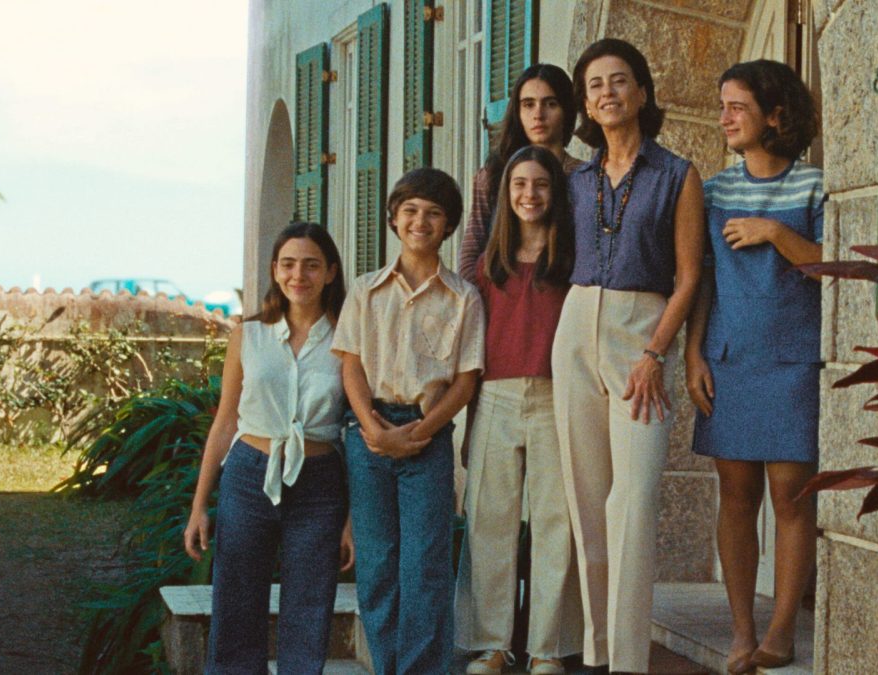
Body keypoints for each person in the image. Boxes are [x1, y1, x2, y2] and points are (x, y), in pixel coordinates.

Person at [552, 38, 704, 674]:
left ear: (642, 92)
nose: (607, 93)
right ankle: (599, 654)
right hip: (576, 326)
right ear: (586, 105)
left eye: (619, 80)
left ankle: (629, 663)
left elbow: (690, 278)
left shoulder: (678, 175)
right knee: (587, 505)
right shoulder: (575, 180)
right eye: (595, 85)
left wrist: (656, 353)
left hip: (643, 330)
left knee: (634, 503)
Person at [686, 59, 823, 674]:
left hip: (793, 363)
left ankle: (782, 630)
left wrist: (774, 232)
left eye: (737, 106)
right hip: (729, 361)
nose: (724, 117)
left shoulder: (813, 187)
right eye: (722, 106)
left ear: (775, 115)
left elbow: (831, 268)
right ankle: (742, 632)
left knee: (791, 497)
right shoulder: (713, 191)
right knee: (736, 497)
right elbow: (701, 280)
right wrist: (693, 353)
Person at [331, 167, 485, 675]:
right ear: (394, 218)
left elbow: (464, 381)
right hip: (369, 432)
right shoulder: (365, 291)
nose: (421, 221)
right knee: (377, 565)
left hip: (428, 437)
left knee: (425, 565)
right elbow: (351, 364)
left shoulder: (463, 297)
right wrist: (374, 430)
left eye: (434, 213)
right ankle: (388, 667)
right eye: (411, 210)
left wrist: (419, 432)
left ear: (449, 225)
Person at [184, 222, 353, 674]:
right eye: (289, 264)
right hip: (248, 474)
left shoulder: (348, 338)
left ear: (331, 272)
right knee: (237, 599)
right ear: (276, 271)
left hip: (320, 483)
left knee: (310, 603)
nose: (299, 275)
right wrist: (199, 505)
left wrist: (352, 518)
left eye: (312, 265)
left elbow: (355, 429)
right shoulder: (249, 335)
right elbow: (226, 420)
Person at [454, 146, 582, 675]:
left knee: (556, 521)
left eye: (541, 184)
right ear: (506, 194)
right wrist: (468, 423)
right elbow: (471, 347)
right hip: (496, 396)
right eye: (520, 185)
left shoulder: (572, 260)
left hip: (556, 396)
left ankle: (548, 646)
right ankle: (491, 644)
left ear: (556, 193)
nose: (530, 194)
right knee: (490, 520)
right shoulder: (490, 263)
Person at [458, 63, 581, 282]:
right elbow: (471, 251)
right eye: (528, 104)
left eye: (550, 104)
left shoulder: (584, 177)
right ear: (517, 111)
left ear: (566, 110)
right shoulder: (491, 176)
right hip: (499, 292)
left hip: (563, 292)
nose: (538, 115)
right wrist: (481, 296)